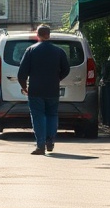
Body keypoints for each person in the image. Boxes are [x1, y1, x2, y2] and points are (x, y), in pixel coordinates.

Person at [17, 24, 71, 155]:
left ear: (37, 35)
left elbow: (21, 73)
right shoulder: (59, 51)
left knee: (38, 116)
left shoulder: (31, 50)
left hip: (35, 90)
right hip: (52, 89)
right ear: (49, 35)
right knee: (52, 114)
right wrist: (57, 79)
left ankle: (40, 145)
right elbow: (66, 69)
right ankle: (50, 140)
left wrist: (24, 87)